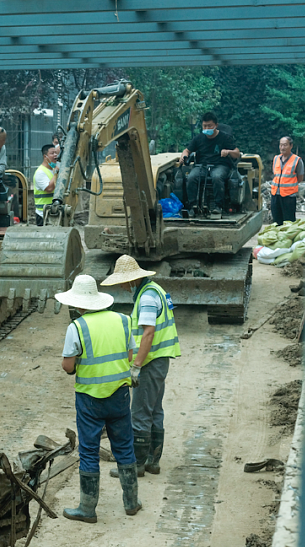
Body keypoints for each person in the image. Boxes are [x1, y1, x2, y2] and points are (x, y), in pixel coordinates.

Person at [56, 274, 142, 523]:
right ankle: (131, 502)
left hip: (90, 400)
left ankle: (87, 508)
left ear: (78, 304)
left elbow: (67, 366)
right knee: (124, 447)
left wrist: (76, 368)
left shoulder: (77, 327)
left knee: (90, 450)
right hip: (119, 395)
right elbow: (128, 355)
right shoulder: (124, 320)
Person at [100, 255, 181, 479]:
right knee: (155, 409)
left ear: (130, 279)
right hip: (160, 359)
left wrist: (136, 365)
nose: (121, 287)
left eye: (121, 282)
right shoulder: (154, 289)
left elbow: (148, 332)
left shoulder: (146, 297)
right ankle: (153, 462)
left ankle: (135, 465)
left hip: (150, 361)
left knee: (140, 414)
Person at [178, 112, 240, 216]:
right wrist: (184, 156)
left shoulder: (225, 138)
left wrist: (228, 152)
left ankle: (218, 206)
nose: (207, 128)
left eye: (209, 126)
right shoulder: (198, 138)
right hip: (202, 166)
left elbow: (237, 153)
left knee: (217, 177)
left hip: (220, 165)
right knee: (191, 177)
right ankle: (193, 206)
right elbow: (187, 150)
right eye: (204, 126)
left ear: (216, 125)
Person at [270, 136, 304, 226]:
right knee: (276, 222)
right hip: (275, 195)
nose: (282, 147)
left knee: (289, 223)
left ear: (291, 146)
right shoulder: (276, 158)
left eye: (285, 145)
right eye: (281, 145)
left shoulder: (297, 160)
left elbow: (300, 178)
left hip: (289, 197)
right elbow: (275, 174)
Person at [33, 143, 58, 226]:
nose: (55, 155)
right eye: (52, 153)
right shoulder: (40, 172)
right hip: (43, 215)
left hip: (54, 212)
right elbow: (49, 189)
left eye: (56, 153)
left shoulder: (53, 170)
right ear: (45, 156)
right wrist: (56, 174)